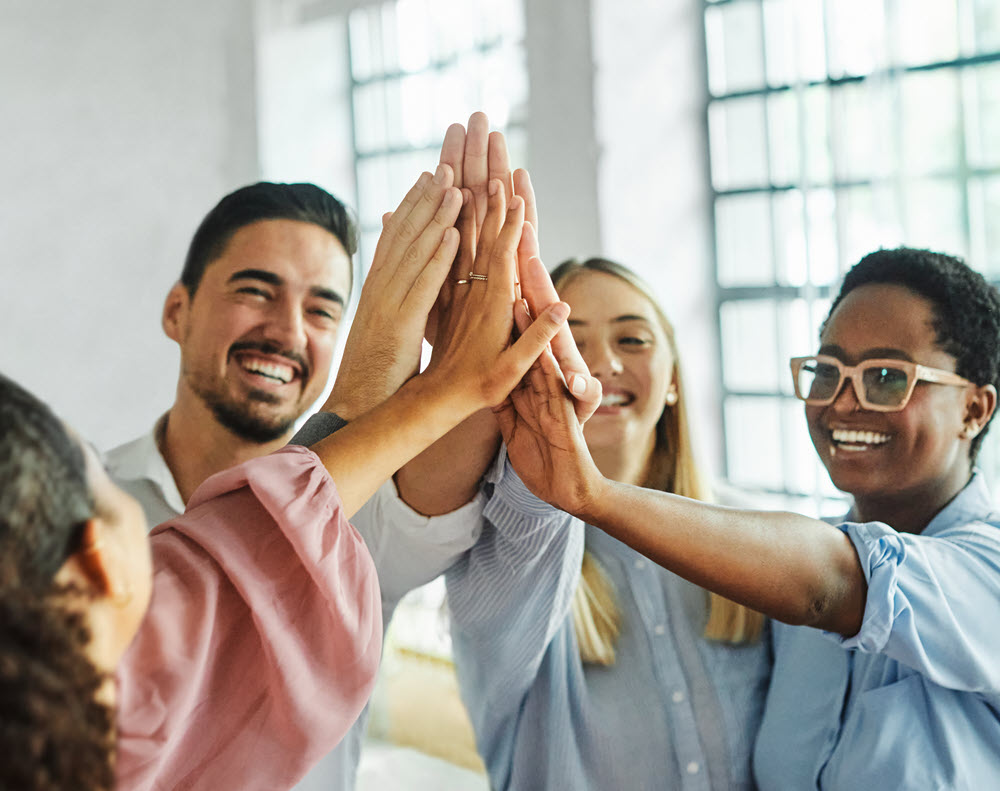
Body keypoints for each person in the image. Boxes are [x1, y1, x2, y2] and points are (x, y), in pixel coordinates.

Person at [1, 166, 572, 790]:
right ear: (177, 310)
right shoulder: (69, 510)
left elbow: (415, 489)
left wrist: (481, 343)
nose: (288, 332)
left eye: (325, 309)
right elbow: (248, 549)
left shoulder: (368, 511)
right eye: (255, 291)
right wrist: (386, 390)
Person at [498, 247, 1000, 789]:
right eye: (827, 371)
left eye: (886, 376)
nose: (844, 403)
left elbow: (834, 583)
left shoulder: (983, 568)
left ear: (974, 409)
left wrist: (591, 493)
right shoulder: (783, 591)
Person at [445, 258, 770, 790]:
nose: (600, 365)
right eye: (568, 342)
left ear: (673, 381)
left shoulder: (751, 529)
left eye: (633, 340)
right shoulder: (500, 553)